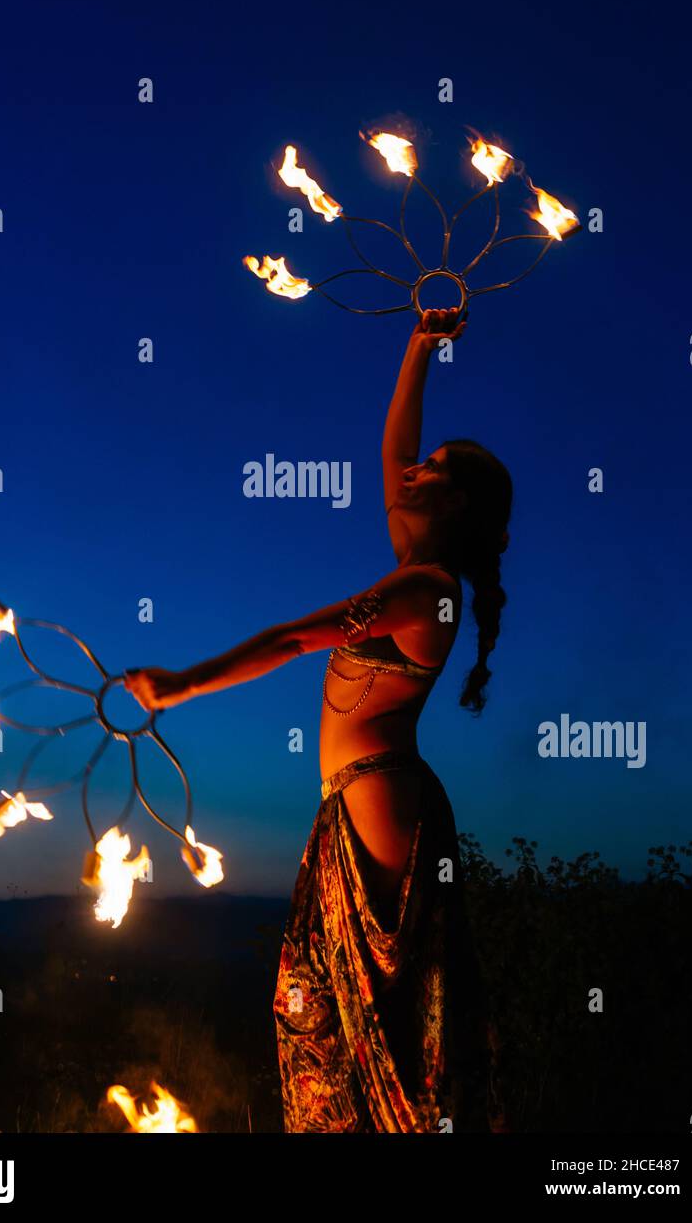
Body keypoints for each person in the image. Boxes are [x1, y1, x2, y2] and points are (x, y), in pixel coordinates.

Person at [124, 307, 511, 1133]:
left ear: (457, 504)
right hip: (355, 796)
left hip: (378, 795)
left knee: (374, 999)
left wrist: (185, 685)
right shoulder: (417, 564)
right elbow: (392, 453)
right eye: (426, 460)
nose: (416, 469)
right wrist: (420, 342)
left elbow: (298, 637)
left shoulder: (428, 589)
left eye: (436, 469)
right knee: (331, 996)